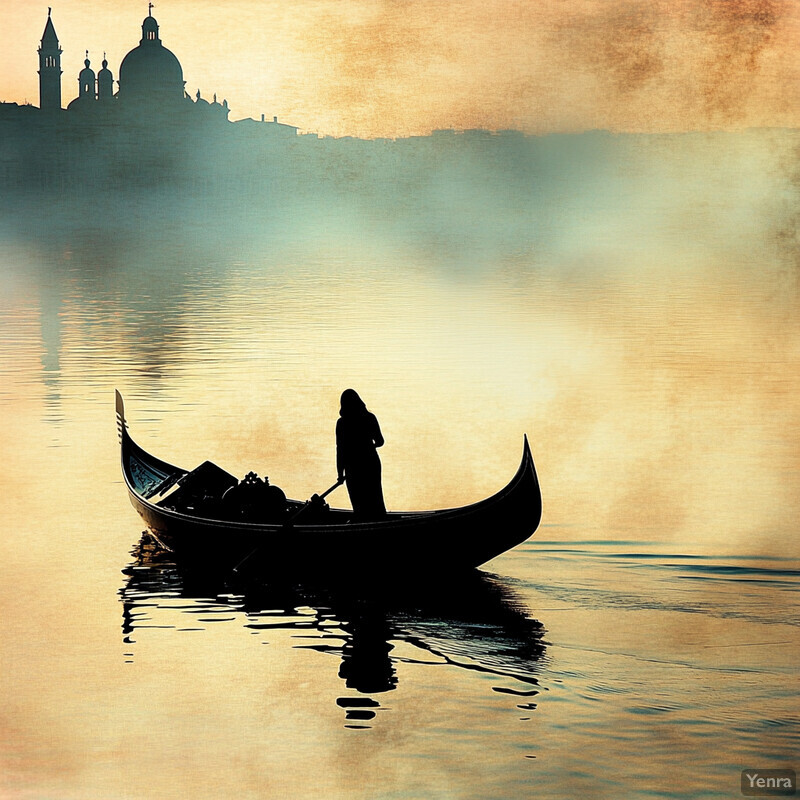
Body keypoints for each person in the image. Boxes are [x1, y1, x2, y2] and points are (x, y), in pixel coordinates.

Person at [336, 389, 386, 520]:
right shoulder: (370, 418)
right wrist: (369, 447)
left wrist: (340, 474)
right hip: (371, 463)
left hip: (352, 467)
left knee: (359, 505)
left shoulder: (341, 423)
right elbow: (380, 442)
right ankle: (379, 522)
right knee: (376, 499)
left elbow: (340, 450)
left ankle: (363, 524)